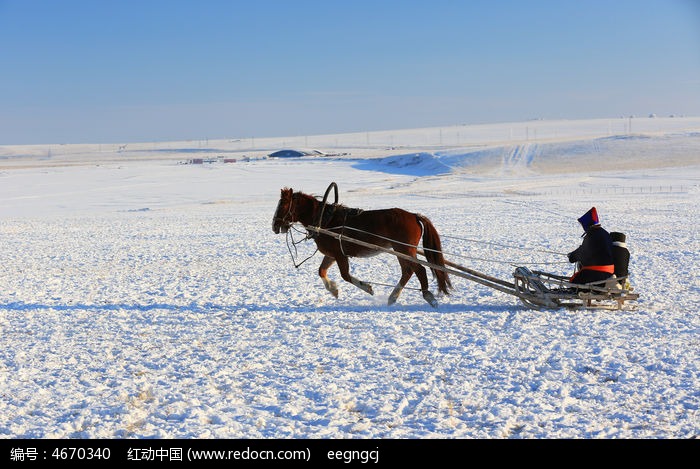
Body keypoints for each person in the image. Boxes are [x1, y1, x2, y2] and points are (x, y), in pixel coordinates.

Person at [567, 207, 615, 285]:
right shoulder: (604, 232)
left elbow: (583, 252)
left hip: (598, 273)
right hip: (609, 272)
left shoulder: (592, 234)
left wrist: (572, 257)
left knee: (574, 283)